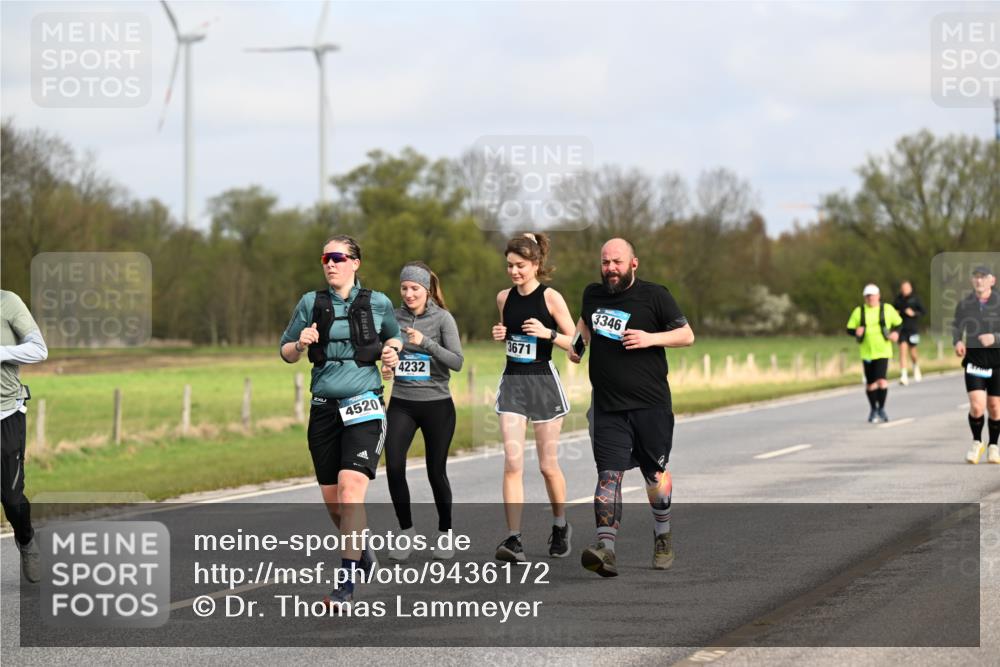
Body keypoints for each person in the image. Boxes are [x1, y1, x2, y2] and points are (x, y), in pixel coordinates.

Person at [279, 235, 403, 611]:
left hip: (364, 406)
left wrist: (392, 354)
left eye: (337, 257)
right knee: (335, 506)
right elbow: (284, 353)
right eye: (325, 258)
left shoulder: (377, 302)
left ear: (355, 263)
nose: (330, 264)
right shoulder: (310, 303)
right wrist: (299, 345)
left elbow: (394, 337)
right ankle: (361, 550)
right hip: (324, 409)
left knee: (351, 491)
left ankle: (345, 585)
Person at [571, 238, 695, 577]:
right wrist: (577, 345)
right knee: (609, 476)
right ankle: (606, 549)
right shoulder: (592, 294)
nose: (610, 268)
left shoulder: (655, 295)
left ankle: (663, 534)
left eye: (617, 262)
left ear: (633, 264)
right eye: (605, 262)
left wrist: (650, 338)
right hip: (608, 405)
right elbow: (586, 324)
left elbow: (686, 335)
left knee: (654, 475)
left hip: (650, 404)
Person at [492, 232, 576, 562]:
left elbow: (578, 345)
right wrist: (499, 334)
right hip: (513, 382)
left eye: (521, 266)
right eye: (510, 266)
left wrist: (549, 334)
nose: (514, 272)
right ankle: (514, 539)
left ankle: (560, 525)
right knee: (513, 462)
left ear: (536, 264)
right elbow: (508, 333)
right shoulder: (503, 298)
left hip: (543, 382)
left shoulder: (551, 298)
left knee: (547, 466)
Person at [383, 262, 464, 561]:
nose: (408, 294)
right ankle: (406, 532)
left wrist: (426, 343)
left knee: (435, 471)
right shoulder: (392, 317)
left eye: (414, 288)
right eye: (404, 288)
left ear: (427, 290)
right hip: (402, 403)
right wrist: (388, 364)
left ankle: (445, 533)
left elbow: (456, 362)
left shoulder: (443, 319)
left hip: (437, 405)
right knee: (393, 466)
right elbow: (387, 351)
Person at [1, 290, 48, 584]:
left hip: (6, 414)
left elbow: (39, 350)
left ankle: (26, 540)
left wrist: (1, 352)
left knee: (11, 498)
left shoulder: (8, 302)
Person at [953, 265, 1000, 464]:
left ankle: (994, 446)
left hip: (998, 362)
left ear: (992, 280)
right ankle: (977, 442)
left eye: (983, 277)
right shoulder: (965, 304)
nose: (979, 280)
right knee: (977, 406)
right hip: (975, 361)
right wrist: (957, 341)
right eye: (976, 277)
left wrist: (995, 337)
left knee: (995, 407)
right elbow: (956, 326)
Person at [846, 284, 902, 423]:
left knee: (882, 381)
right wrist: (855, 332)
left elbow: (899, 323)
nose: (870, 298)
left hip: (883, 350)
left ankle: (881, 408)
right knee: (871, 384)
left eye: (872, 295)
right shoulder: (859, 311)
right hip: (867, 352)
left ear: (878, 296)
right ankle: (873, 409)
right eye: (868, 296)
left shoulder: (887, 309)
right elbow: (849, 328)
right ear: (865, 298)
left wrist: (895, 333)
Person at [893, 280, 925, 385]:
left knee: (913, 352)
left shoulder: (915, 299)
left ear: (910, 288)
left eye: (906, 288)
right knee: (902, 351)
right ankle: (904, 376)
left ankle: (916, 367)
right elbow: (893, 312)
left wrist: (914, 313)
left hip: (913, 329)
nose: (904, 290)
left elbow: (923, 312)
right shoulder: (897, 300)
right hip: (901, 329)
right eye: (903, 288)